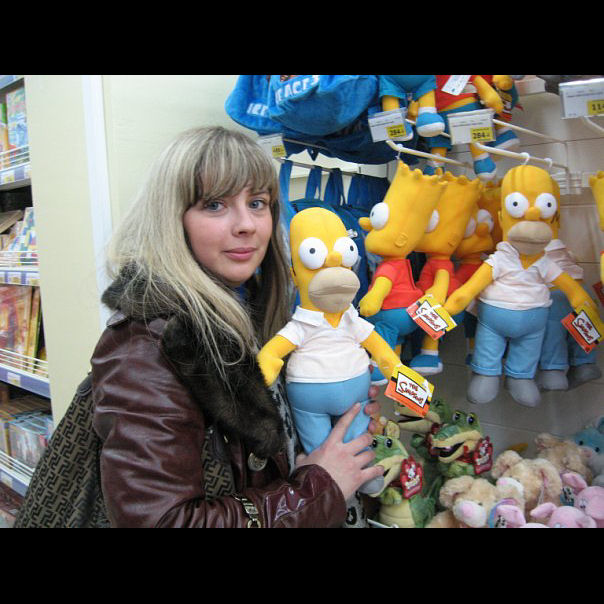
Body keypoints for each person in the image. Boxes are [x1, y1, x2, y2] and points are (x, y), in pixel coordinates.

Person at [90, 126, 385, 528]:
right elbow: (163, 521)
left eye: (257, 203)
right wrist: (318, 487)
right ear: (172, 218)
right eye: (215, 204)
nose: (247, 224)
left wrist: (337, 420)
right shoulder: (145, 345)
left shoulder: (261, 311)